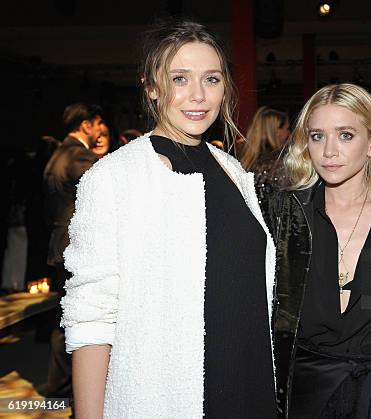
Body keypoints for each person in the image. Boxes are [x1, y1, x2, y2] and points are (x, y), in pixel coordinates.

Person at [60, 20, 277, 418]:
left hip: (251, 389)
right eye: (180, 78)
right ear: (152, 87)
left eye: (211, 79)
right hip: (165, 399)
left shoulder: (234, 172)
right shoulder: (114, 177)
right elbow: (90, 316)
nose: (198, 95)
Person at [268, 83, 371, 418]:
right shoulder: (284, 216)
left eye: (346, 135)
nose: (329, 151)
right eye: (317, 136)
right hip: (306, 399)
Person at [39, 102, 104, 398]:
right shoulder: (79, 155)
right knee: (79, 319)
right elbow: (102, 197)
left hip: (58, 244)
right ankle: (75, 386)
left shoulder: (57, 154)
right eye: (98, 124)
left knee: (63, 317)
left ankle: (59, 382)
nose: (100, 130)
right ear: (86, 125)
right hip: (75, 246)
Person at [240, 106, 290, 216]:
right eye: (287, 129)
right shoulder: (279, 162)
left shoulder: (245, 160)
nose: (288, 134)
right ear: (277, 131)